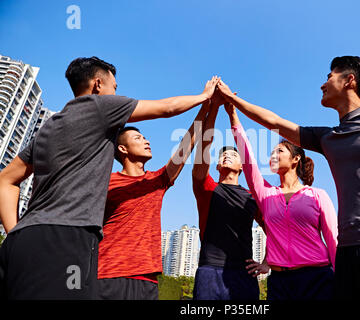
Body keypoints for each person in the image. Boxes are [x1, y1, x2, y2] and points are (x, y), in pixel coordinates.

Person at [216, 55, 360, 299]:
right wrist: (233, 100)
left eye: (329, 76)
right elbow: (274, 121)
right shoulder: (327, 137)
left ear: (349, 80)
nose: (322, 84)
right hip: (351, 252)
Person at [0, 56, 220, 299]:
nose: (146, 140)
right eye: (114, 87)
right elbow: (167, 108)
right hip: (98, 270)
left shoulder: (48, 130)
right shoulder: (100, 113)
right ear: (97, 85)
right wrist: (205, 95)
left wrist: (15, 232)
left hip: (28, 243)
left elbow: (5, 180)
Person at [224, 103, 337, 300]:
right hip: (279, 282)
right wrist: (233, 116)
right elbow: (249, 161)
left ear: (295, 160)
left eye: (280, 151)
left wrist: (343, 278)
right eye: (272, 153)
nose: (273, 156)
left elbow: (333, 239)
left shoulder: (318, 195)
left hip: (318, 277)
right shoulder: (266, 194)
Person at [97, 101, 209, 300]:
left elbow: (186, 146)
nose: (146, 141)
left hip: (147, 278)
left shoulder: (157, 181)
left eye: (145, 137)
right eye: (138, 138)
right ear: (123, 149)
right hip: (108, 275)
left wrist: (206, 106)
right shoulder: (107, 182)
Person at [191, 93, 264, 300]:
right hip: (209, 270)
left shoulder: (253, 196)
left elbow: (273, 228)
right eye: (222, 154)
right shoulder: (206, 188)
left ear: (242, 166)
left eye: (233, 154)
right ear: (216, 166)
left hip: (244, 273)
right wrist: (214, 107)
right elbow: (204, 146)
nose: (226, 155)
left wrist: (268, 261)